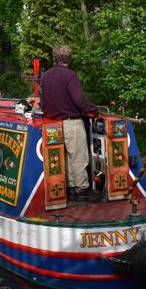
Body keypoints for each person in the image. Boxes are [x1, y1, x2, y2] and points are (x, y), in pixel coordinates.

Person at [40, 45, 101, 203]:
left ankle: (70, 188)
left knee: (65, 158)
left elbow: (43, 103)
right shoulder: (70, 75)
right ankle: (82, 190)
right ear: (70, 58)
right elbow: (78, 100)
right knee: (79, 157)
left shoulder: (46, 76)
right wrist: (93, 108)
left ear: (54, 58)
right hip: (72, 123)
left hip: (54, 124)